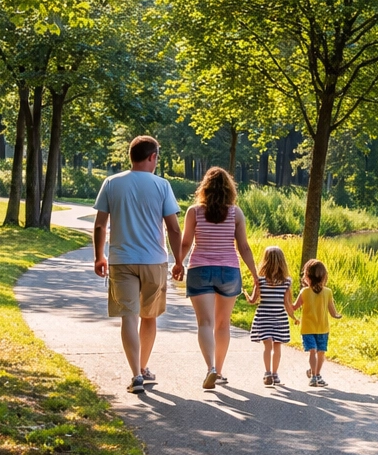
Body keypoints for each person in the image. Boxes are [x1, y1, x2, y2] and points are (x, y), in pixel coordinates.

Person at [93, 136, 183, 395]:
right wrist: (179, 261)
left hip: (122, 261)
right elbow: (174, 228)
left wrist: (99, 256)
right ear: (152, 156)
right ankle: (143, 367)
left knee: (128, 318)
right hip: (154, 261)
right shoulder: (162, 185)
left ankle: (135, 375)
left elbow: (100, 224)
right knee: (149, 316)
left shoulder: (111, 183)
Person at [173, 167, 259, 389]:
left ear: (205, 188)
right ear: (229, 189)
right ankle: (219, 371)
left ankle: (210, 368)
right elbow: (244, 247)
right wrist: (255, 275)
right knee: (222, 324)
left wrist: (178, 263)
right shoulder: (235, 213)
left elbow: (186, 243)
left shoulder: (194, 212)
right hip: (228, 271)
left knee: (205, 322)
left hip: (200, 269)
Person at [294, 257, 341, 387]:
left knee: (320, 352)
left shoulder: (326, 292)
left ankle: (316, 374)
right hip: (311, 329)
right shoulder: (306, 292)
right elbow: (333, 312)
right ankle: (314, 376)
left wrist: (336, 315)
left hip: (320, 329)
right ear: (324, 276)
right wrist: (336, 315)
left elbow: (332, 311)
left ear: (307, 277)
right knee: (314, 351)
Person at [250, 246, 292, 386]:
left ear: (265, 261)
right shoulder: (287, 282)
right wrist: (294, 316)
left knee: (267, 346)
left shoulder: (260, 281)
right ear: (282, 262)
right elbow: (288, 303)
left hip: (263, 317)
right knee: (277, 347)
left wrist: (245, 293)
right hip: (280, 318)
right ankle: (275, 374)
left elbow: (253, 300)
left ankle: (267, 373)